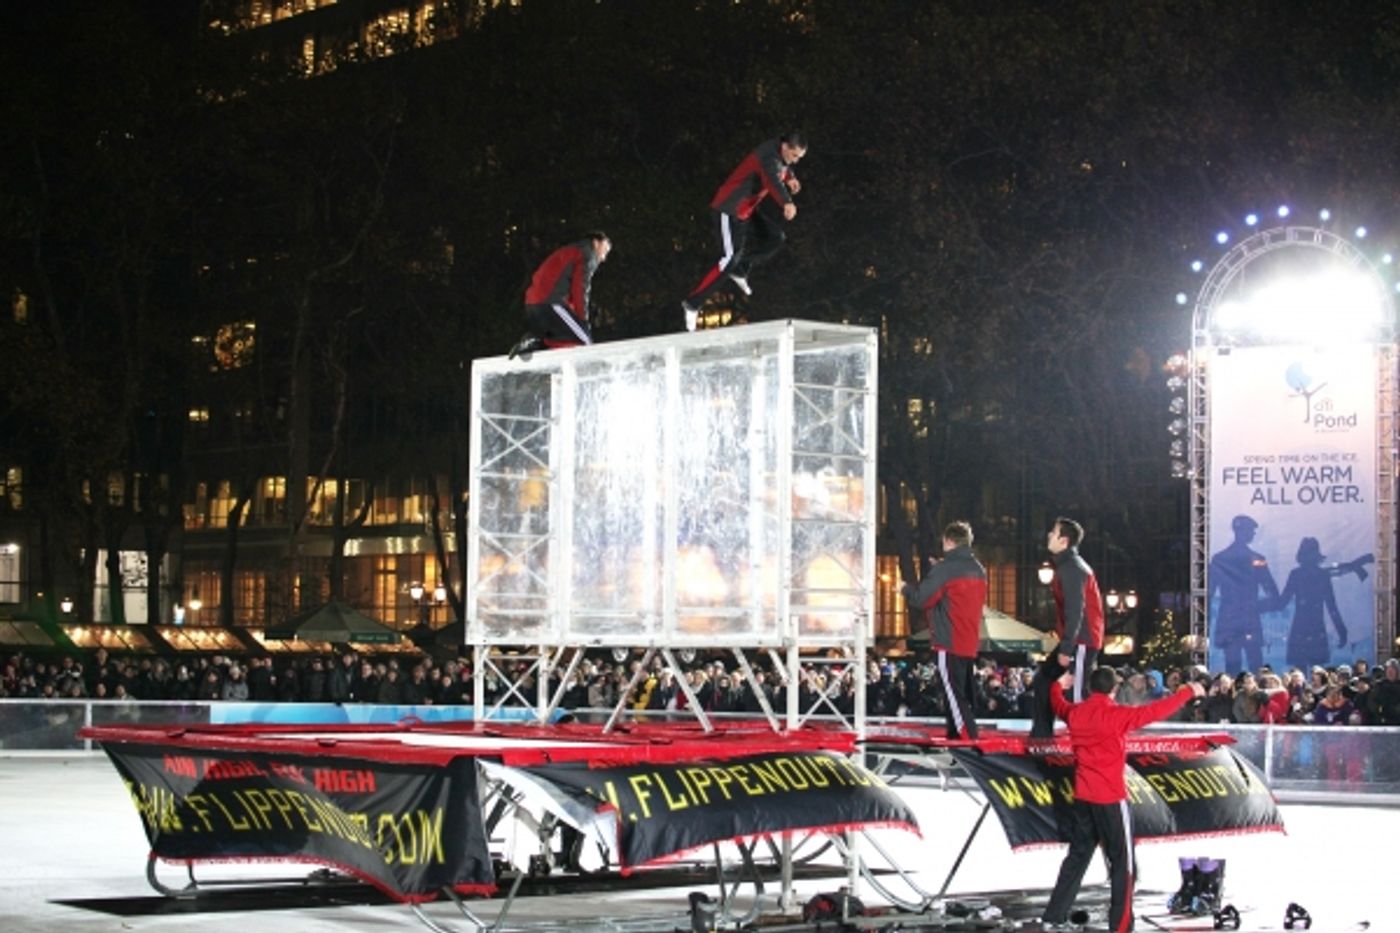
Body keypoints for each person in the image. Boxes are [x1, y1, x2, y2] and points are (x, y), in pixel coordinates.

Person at [1040, 667, 1206, 932]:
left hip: (1083, 795)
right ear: (1114, 690)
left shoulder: (1077, 713)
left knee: (1078, 856)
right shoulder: (1116, 715)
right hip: (1110, 798)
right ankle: (1120, 924)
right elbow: (1155, 711)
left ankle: (1053, 915)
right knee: (1122, 862)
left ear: (1090, 688)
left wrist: (1057, 685)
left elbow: (1059, 705)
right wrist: (1187, 692)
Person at [680, 132, 807, 332]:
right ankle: (692, 303)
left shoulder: (780, 154)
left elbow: (784, 168)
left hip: (746, 210)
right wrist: (787, 202)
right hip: (728, 209)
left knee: (775, 237)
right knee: (729, 258)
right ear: (784, 147)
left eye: (799, 158)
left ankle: (741, 268)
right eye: (794, 156)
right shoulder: (767, 156)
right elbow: (772, 180)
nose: (795, 161)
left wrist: (791, 177)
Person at [902, 520, 987, 739]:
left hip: (948, 640)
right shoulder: (978, 568)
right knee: (961, 692)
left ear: (948, 541)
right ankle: (958, 733)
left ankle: (967, 737)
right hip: (968, 639)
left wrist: (904, 589)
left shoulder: (944, 569)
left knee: (952, 693)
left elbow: (922, 599)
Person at [1030, 517, 1105, 738]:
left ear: (1064, 541)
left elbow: (1075, 610)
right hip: (1078, 639)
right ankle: (1041, 737)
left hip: (1083, 639)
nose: (1048, 536)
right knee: (1043, 679)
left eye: (1053, 533)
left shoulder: (1072, 568)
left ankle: (1085, 740)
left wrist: (1066, 648)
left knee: (1078, 693)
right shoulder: (1068, 565)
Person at [508, 232, 612, 358]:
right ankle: (536, 340)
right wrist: (583, 320)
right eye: (605, 250)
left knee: (560, 341)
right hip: (550, 303)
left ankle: (534, 342)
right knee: (585, 340)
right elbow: (580, 288)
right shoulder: (587, 253)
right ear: (595, 243)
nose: (603, 258)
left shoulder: (571, 251)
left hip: (533, 305)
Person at [1208, 514, 1279, 673]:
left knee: (1233, 666)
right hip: (1249, 618)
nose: (1253, 534)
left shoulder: (1220, 559)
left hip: (1229, 618)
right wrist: (1257, 606)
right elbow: (1273, 594)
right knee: (1255, 664)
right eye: (1251, 531)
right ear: (1242, 531)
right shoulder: (1257, 559)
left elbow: (1209, 594)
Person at [1275, 536, 1348, 671]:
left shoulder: (1296, 574)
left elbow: (1282, 602)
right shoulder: (1322, 575)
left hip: (1300, 627)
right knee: (1317, 670)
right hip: (1316, 627)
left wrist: (1260, 606)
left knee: (1300, 671)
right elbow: (1332, 607)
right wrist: (1341, 630)